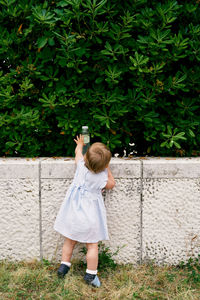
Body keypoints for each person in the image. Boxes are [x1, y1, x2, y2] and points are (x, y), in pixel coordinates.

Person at [53, 134, 115, 287]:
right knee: (92, 245)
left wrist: (80, 145)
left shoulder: (80, 166)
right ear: (104, 165)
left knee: (69, 239)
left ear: (86, 159)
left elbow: (77, 154)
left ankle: (64, 265)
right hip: (90, 216)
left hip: (73, 213)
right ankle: (91, 275)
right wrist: (107, 169)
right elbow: (112, 184)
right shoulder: (101, 177)